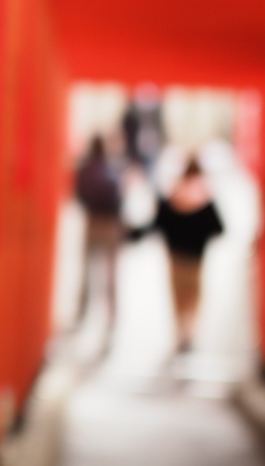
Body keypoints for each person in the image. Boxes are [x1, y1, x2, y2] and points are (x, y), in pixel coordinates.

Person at [130, 155, 223, 353]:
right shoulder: (206, 197)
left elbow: (158, 222)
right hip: (197, 258)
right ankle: (189, 332)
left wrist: (135, 234)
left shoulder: (173, 195)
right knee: (193, 297)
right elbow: (220, 228)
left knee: (178, 297)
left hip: (175, 256)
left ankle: (181, 332)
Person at [73, 134, 123, 331]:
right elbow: (119, 199)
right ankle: (112, 315)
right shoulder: (113, 168)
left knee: (87, 270)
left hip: (92, 221)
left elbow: (79, 195)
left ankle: (83, 311)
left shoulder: (84, 168)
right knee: (110, 273)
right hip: (110, 224)